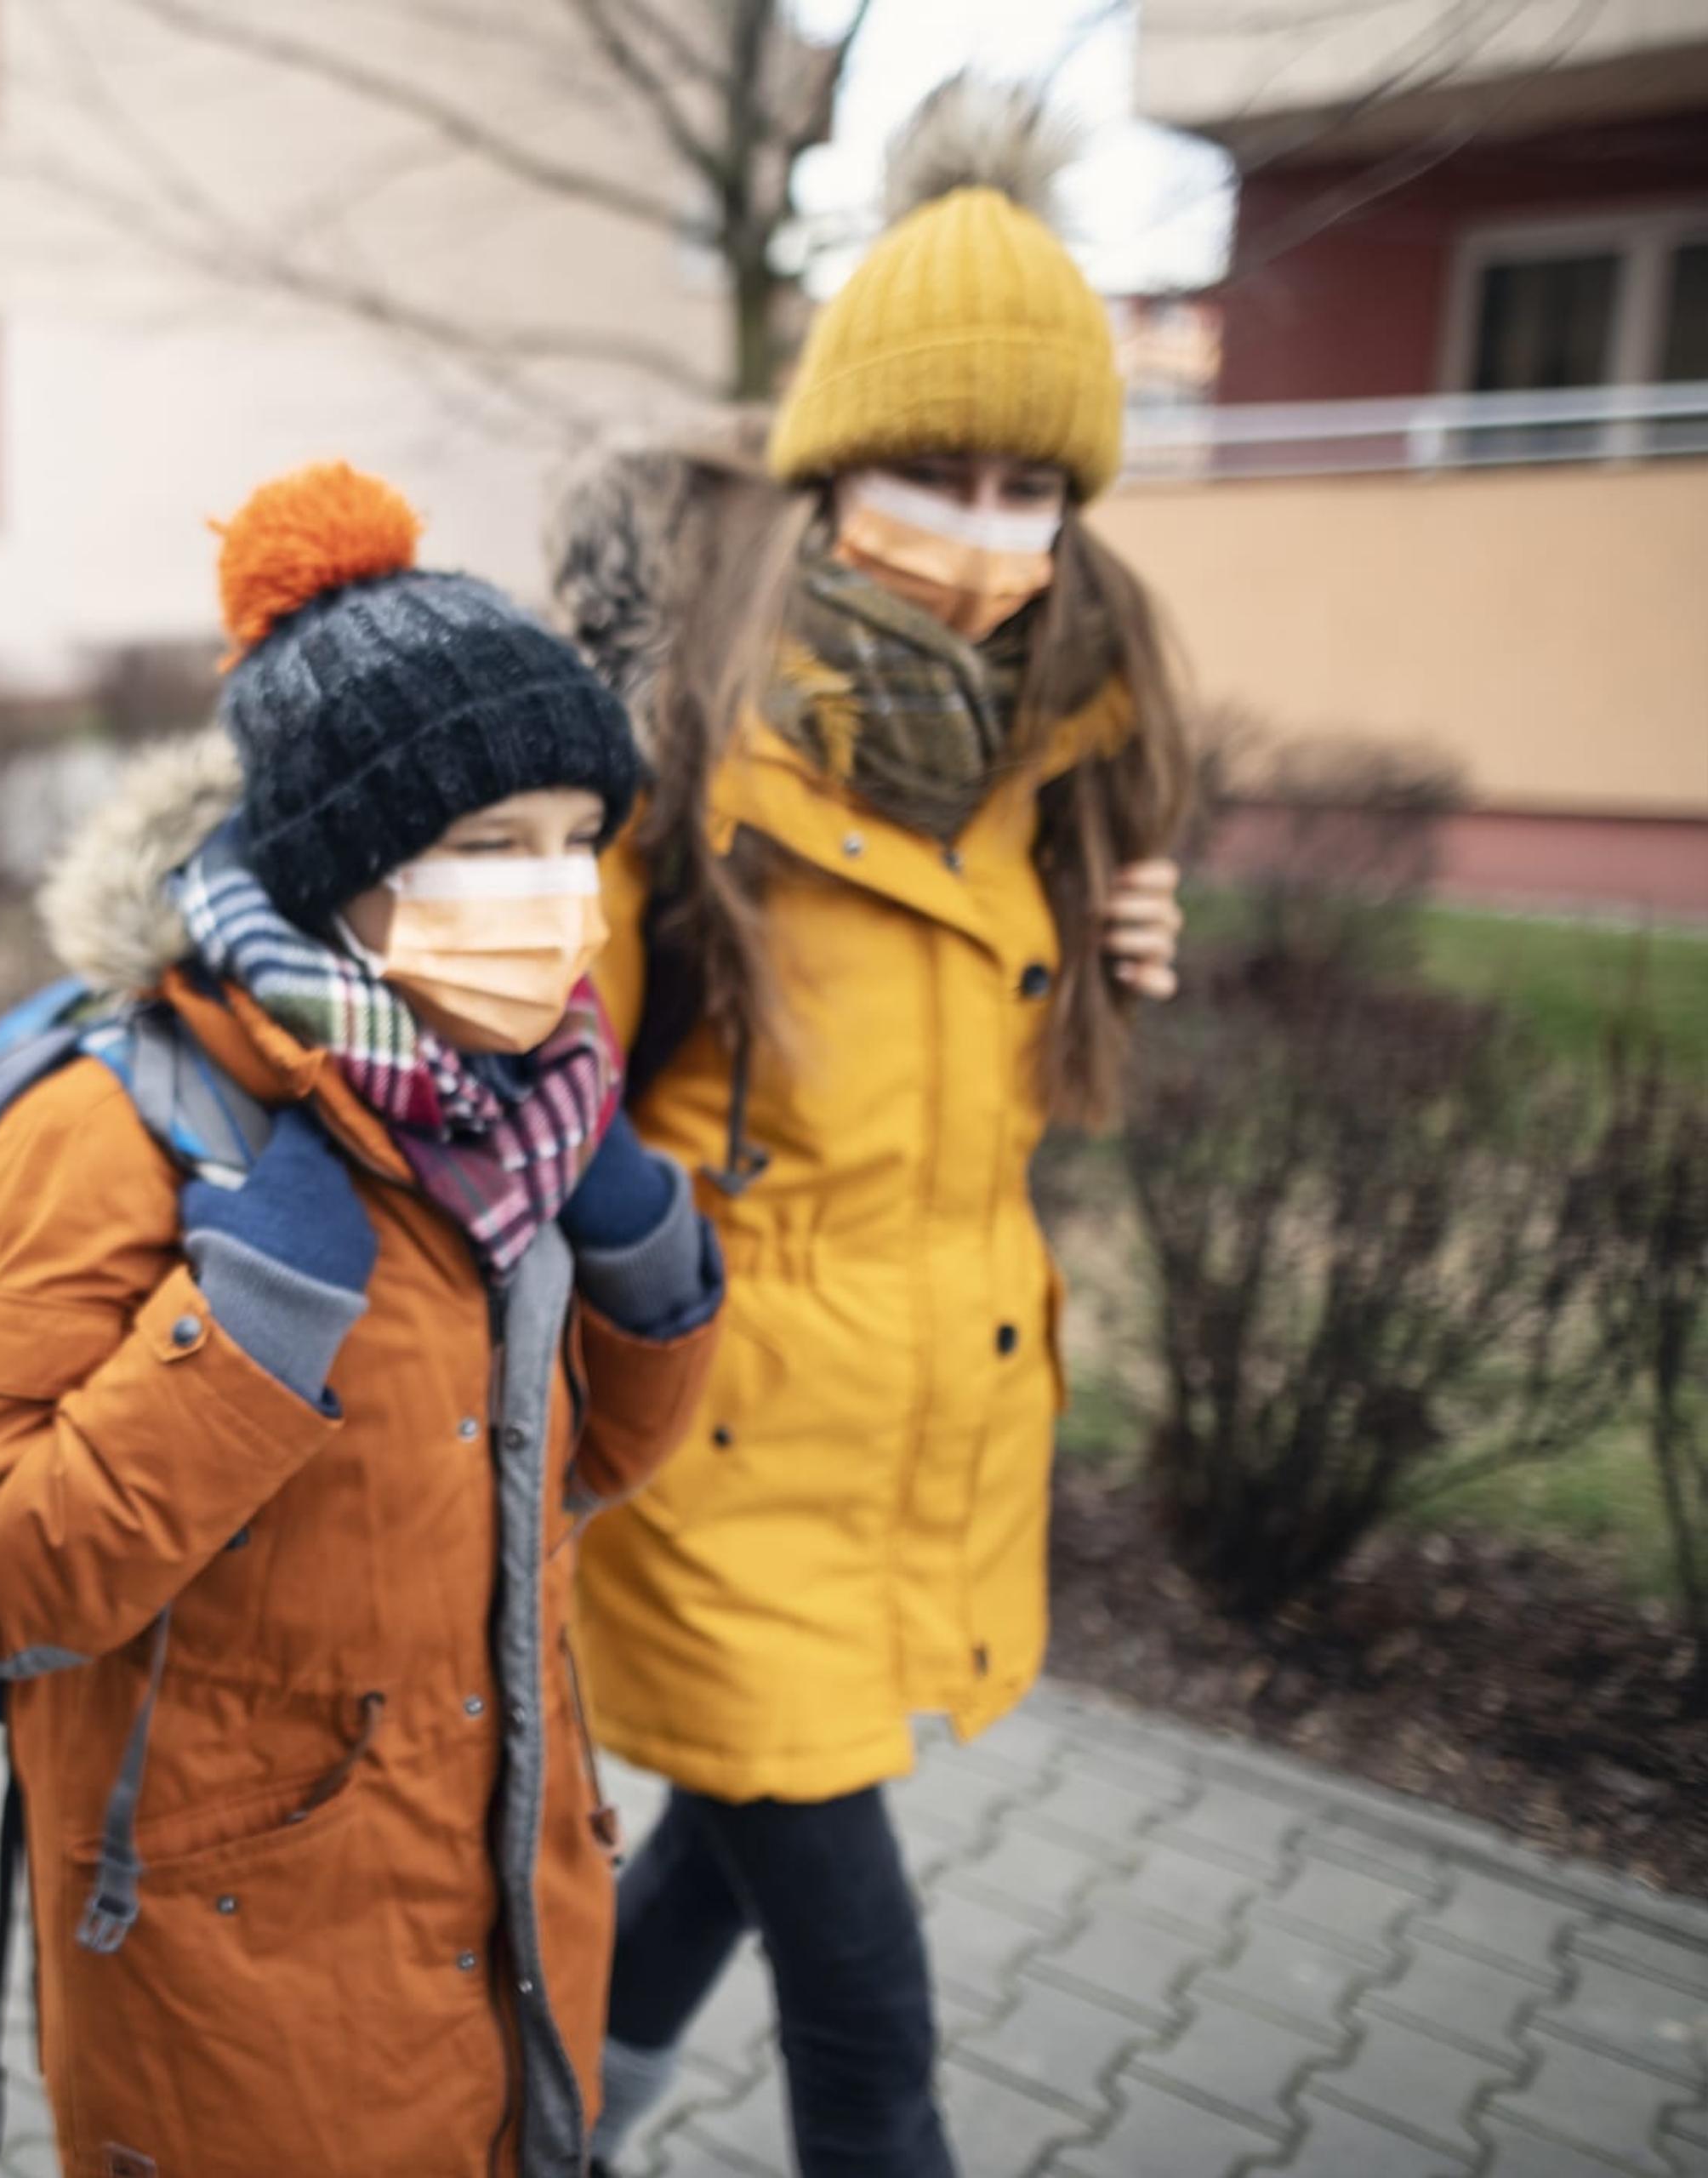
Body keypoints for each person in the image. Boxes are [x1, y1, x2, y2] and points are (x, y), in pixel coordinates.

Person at [0, 460, 727, 2177]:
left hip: (510, 1908)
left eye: (580, 840)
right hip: (236, 1991)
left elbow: (580, 1479)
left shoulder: (524, 1118)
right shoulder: (123, 1123)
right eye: (488, 846)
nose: (557, 899)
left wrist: (648, 1259)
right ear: (339, 865)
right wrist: (252, 1318)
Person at [545, 79, 1196, 2178]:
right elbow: (548, 1106)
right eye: (936, 464)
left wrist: (1100, 947)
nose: (987, 525)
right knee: (872, 2007)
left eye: (1032, 483)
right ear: (834, 465)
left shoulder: (1048, 754)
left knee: (739, 1863)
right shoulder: (679, 750)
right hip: (723, 1454)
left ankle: (549, 2130)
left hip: (929, 1441)